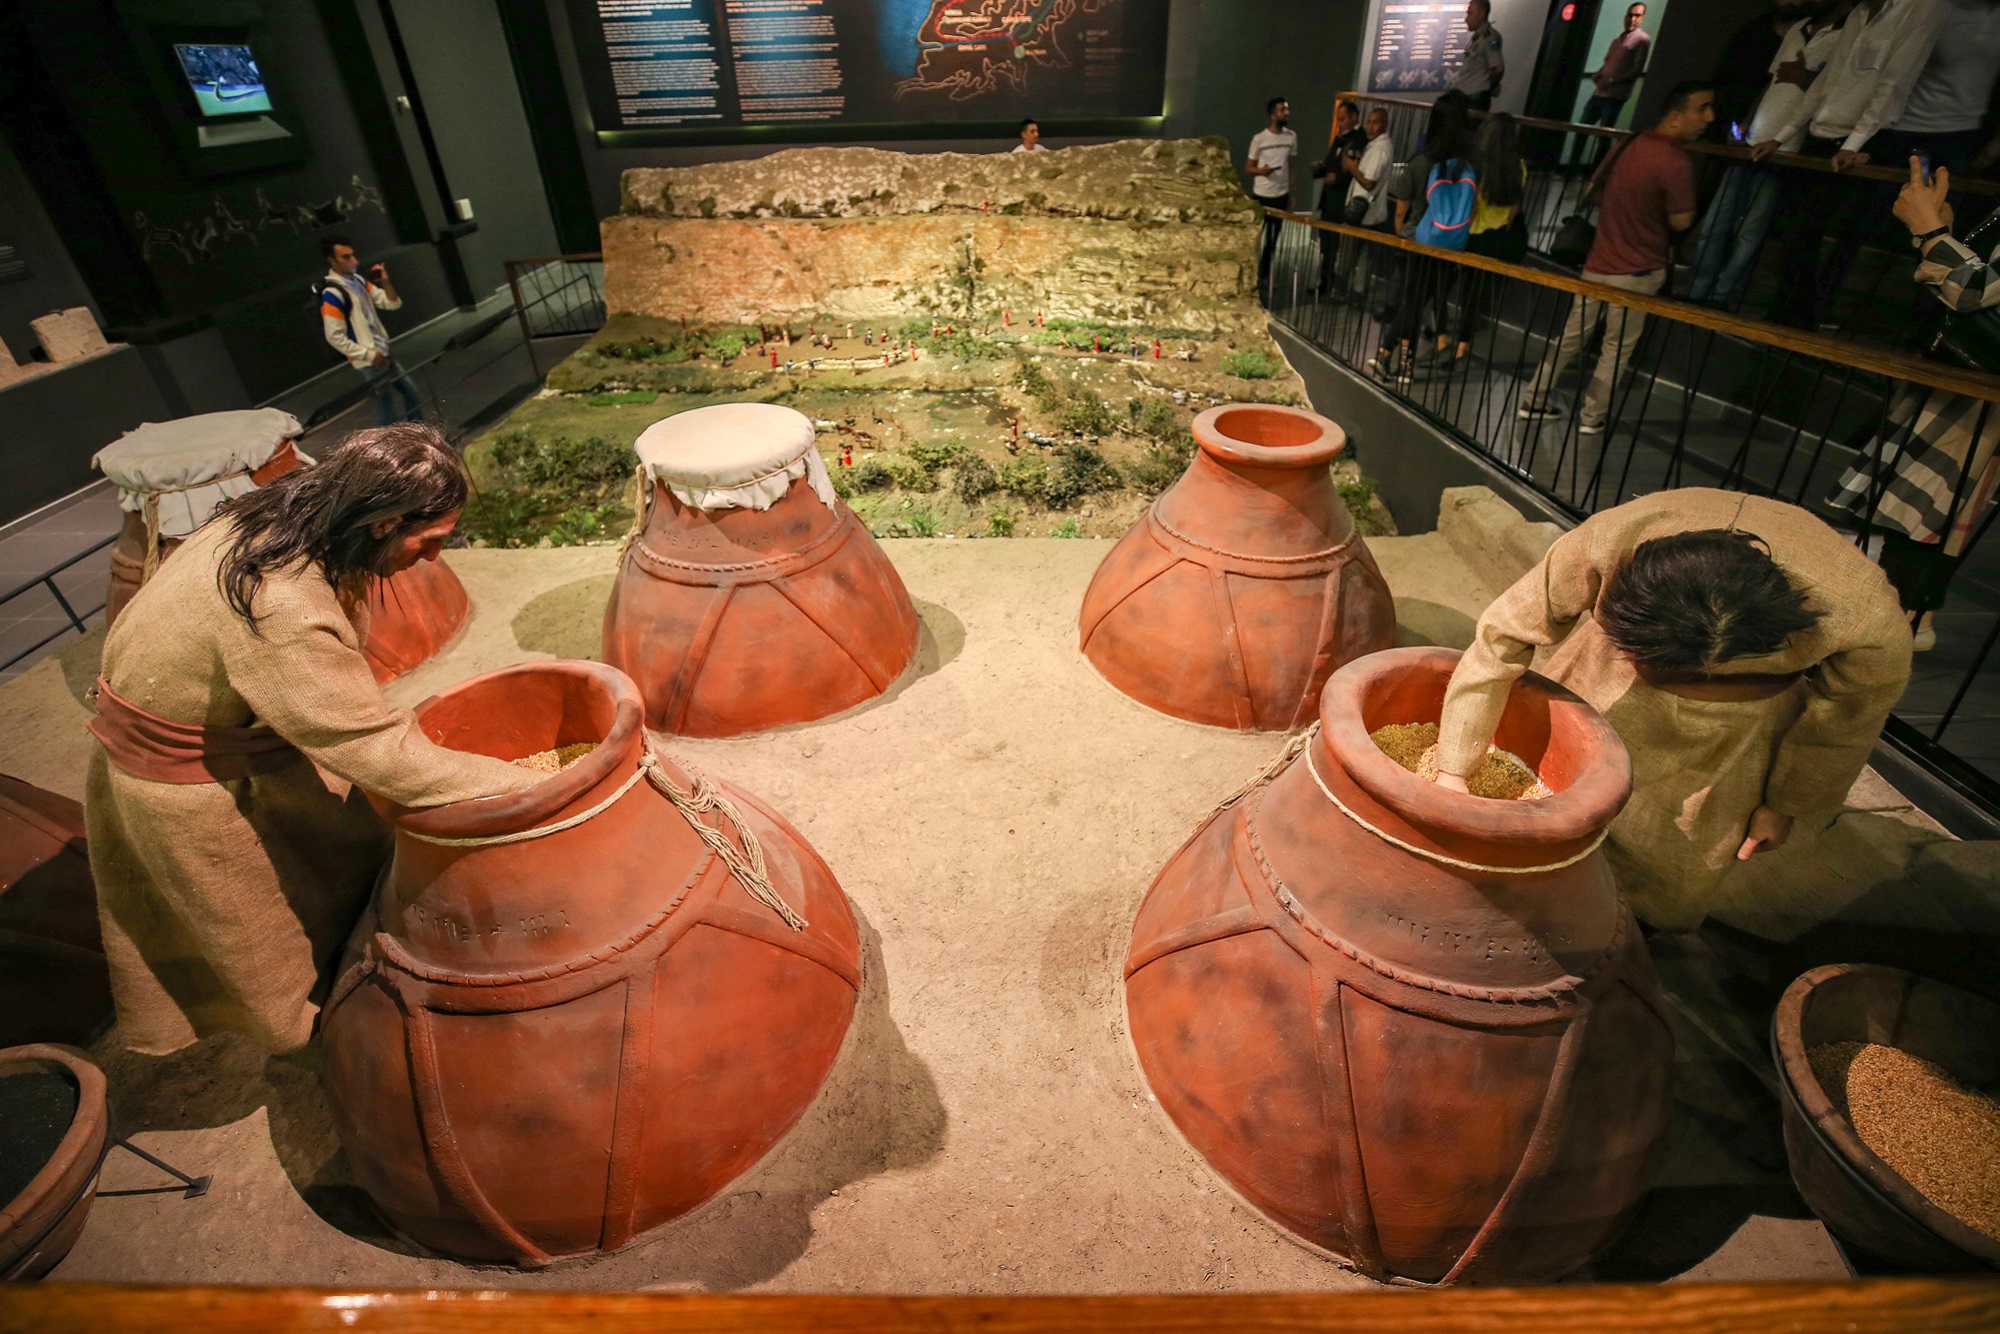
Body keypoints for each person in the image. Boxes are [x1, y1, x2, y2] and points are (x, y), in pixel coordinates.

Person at [83, 425, 544, 1056]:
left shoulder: (273, 513)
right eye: (430, 539)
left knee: (348, 854)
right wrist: (526, 782)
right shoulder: (277, 603)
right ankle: (331, 1040)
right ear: (383, 522)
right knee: (268, 930)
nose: (436, 557)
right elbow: (367, 746)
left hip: (238, 745)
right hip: (192, 786)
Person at [1433, 489, 1912, 930]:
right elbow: (1501, 639)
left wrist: (1786, 805)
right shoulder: (1607, 541)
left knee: (1678, 858)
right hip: (1606, 677)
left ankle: (1638, 929)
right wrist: (1454, 765)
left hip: (1740, 729)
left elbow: (1846, 723)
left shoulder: (1863, 612)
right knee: (1558, 793)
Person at [1829, 155, 2000, 649]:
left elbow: (1976, 293)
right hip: (1963, 386)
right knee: (1921, 510)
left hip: (1981, 398)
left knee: (1933, 510)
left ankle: (1894, 634)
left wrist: (1931, 233)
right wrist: (1939, 233)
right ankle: (1895, 628)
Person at [1518, 82, 1712, 434]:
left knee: (1571, 336)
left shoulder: (1628, 144)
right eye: (1702, 109)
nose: (1709, 118)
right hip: (1639, 269)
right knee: (1616, 347)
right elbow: (1682, 220)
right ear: (1674, 117)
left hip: (1598, 261)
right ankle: (1592, 416)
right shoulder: (1676, 162)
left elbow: (1593, 191)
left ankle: (1534, 398)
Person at [1750, 0, 1944, 326]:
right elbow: (1826, 81)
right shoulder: (1858, 12)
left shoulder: (1919, 9)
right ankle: (1789, 314)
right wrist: (1781, 136)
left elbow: (1892, 85)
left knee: (1837, 232)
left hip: (1865, 140)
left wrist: (1855, 143)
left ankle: (1810, 315)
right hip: (1822, 133)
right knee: (1798, 228)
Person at [1687, 1, 1847, 306]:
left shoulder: (1845, 35)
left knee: (1750, 232)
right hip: (1753, 139)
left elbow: (1837, 92)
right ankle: (1697, 292)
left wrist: (1805, 79)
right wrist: (1746, 124)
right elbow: (1771, 83)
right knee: (1715, 223)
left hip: (1787, 148)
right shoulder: (1799, 28)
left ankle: (1721, 297)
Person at [1374, 92, 1476, 381]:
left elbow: (1401, 208)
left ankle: (1397, 360)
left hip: (1415, 240)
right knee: (1416, 303)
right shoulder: (1467, 164)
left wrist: (1402, 235)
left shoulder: (1421, 161)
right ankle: (1389, 355)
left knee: (1412, 302)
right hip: (1450, 245)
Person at [1444, 113, 1531, 363]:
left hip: (1473, 233)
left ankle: (1441, 336)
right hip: (1496, 237)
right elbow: (1514, 210)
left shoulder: (1477, 165)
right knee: (1476, 297)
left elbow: (1471, 206)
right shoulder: (1519, 167)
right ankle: (1462, 347)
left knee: (1449, 284)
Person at [320, 235, 420, 425]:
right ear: (332, 261)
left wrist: (385, 282)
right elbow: (333, 336)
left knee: (410, 395)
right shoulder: (332, 294)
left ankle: (419, 436)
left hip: (383, 351)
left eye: (353, 255)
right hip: (369, 360)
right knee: (387, 409)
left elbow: (391, 303)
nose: (354, 261)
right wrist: (369, 355)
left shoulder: (358, 280)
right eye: (346, 257)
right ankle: (394, 443)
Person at [1312, 99, 1369, 293]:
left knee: (1337, 245)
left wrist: (1337, 178)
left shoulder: (1359, 139)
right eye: (1338, 119)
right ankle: (1325, 281)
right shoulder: (1340, 138)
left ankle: (1334, 284)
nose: (1339, 123)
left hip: (1341, 199)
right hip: (1329, 198)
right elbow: (1332, 163)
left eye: (1343, 118)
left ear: (1354, 117)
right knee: (1326, 243)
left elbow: (1351, 169)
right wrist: (1321, 170)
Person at [1580, 4, 1653, 144]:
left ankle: (1602, 159)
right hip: (1599, 92)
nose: (1632, 19)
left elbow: (1637, 69)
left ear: (1642, 18)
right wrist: (1597, 75)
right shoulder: (1617, 40)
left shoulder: (1642, 39)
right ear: (1625, 17)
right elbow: (1608, 62)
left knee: (1604, 135)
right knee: (1582, 129)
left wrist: (1611, 80)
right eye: (1630, 15)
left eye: (1637, 16)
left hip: (1615, 96)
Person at [1246, 96, 1298, 295]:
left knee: (1273, 239)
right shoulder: (1259, 139)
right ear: (1272, 115)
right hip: (1262, 194)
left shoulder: (1291, 137)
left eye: (1286, 109)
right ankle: (1251, 275)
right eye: (1282, 110)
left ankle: (1264, 276)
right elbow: (1248, 167)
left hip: (1281, 194)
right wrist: (1262, 171)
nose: (1286, 113)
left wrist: (1292, 193)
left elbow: (1292, 165)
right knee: (1256, 238)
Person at [1453, 0, 1506, 112]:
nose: (1466, 19)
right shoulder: (1477, 38)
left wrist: (1485, 89)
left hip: (1474, 100)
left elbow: (1498, 69)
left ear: (1481, 14)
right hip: (1465, 97)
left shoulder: (1489, 38)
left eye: (1470, 13)